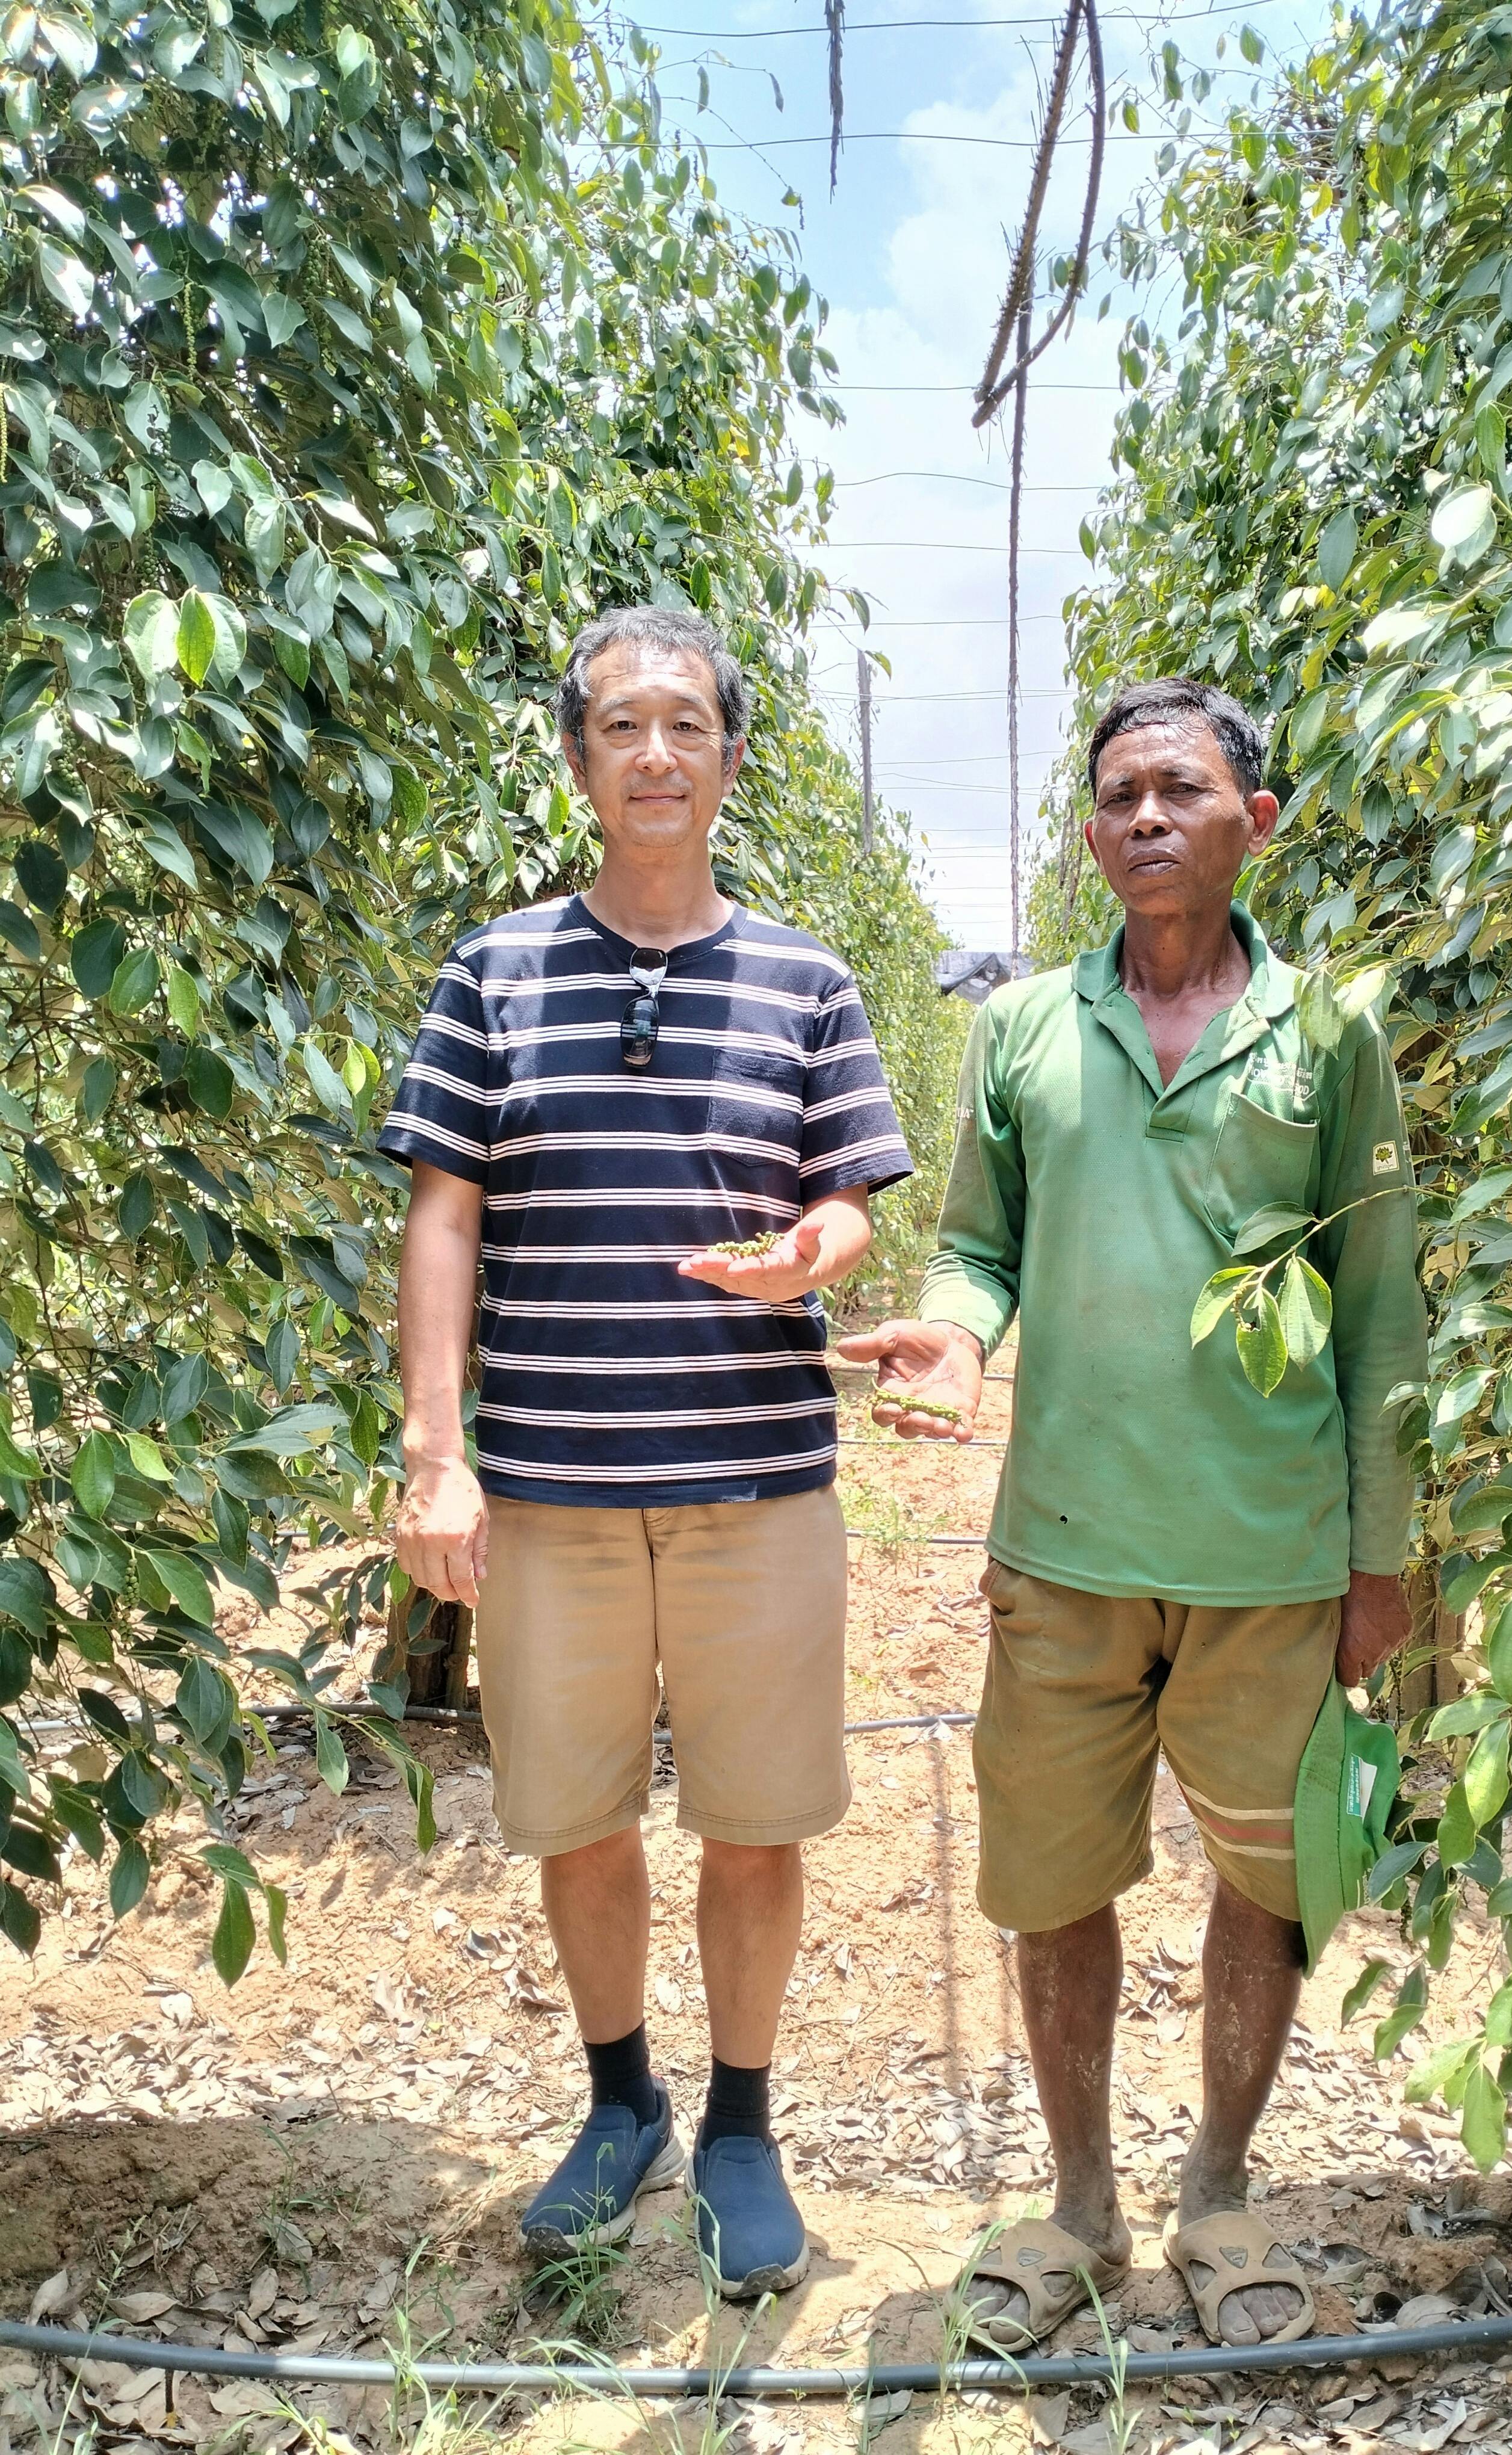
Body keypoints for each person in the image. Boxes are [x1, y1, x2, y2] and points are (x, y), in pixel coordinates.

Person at [839, 677, 1425, 2352]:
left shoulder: (1329, 1039)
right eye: (1116, 796)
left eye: (1181, 788)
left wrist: (1376, 1559)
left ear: (1258, 818)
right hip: (1066, 1556)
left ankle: (1218, 2195)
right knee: (1049, 1883)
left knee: (1266, 1881)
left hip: (1268, 1562)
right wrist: (957, 1335)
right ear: (1091, 835)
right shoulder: (1024, 1030)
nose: (1145, 817)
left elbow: (1380, 1308)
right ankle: (1083, 2208)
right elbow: (979, 1245)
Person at [380, 605, 912, 2299]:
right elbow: (444, 1216)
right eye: (622, 726)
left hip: (757, 1483)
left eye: (688, 724)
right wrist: (437, 1452)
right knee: (579, 1817)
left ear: (732, 758)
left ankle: (743, 2127)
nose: (657, 754)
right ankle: (624, 2103)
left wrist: (808, 1256)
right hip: (553, 1489)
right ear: (578, 760)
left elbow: (847, 1200)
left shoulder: (807, 981)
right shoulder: (495, 970)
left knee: (757, 1823)